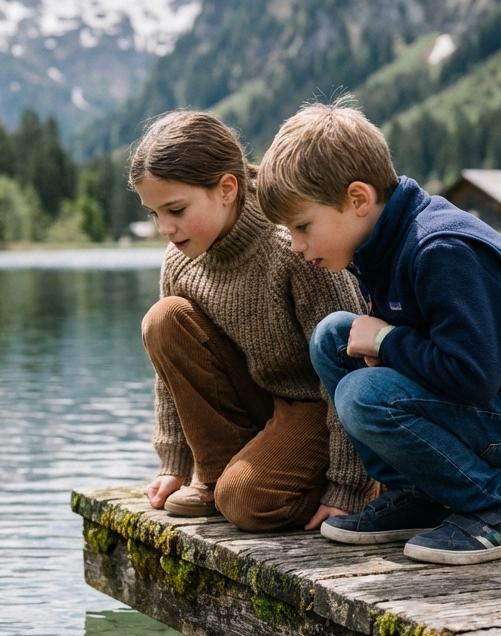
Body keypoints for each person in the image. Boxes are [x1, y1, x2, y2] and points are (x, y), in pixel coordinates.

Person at [256, 102, 501, 564]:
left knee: (362, 393)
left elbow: (472, 375)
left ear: (357, 199)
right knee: (334, 335)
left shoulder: (442, 249)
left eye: (302, 226)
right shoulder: (380, 243)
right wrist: (385, 343)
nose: (295, 245)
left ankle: (500, 509)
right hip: (488, 404)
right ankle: (416, 495)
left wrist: (387, 343)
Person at [131, 110, 379, 532]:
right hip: (265, 398)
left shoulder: (296, 245)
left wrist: (349, 487)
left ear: (227, 188)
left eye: (175, 209)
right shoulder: (181, 260)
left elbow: (351, 368)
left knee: (247, 503)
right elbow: (169, 375)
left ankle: (380, 487)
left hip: (323, 405)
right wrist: (173, 460)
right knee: (164, 319)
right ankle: (215, 477)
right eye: (154, 213)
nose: (164, 228)